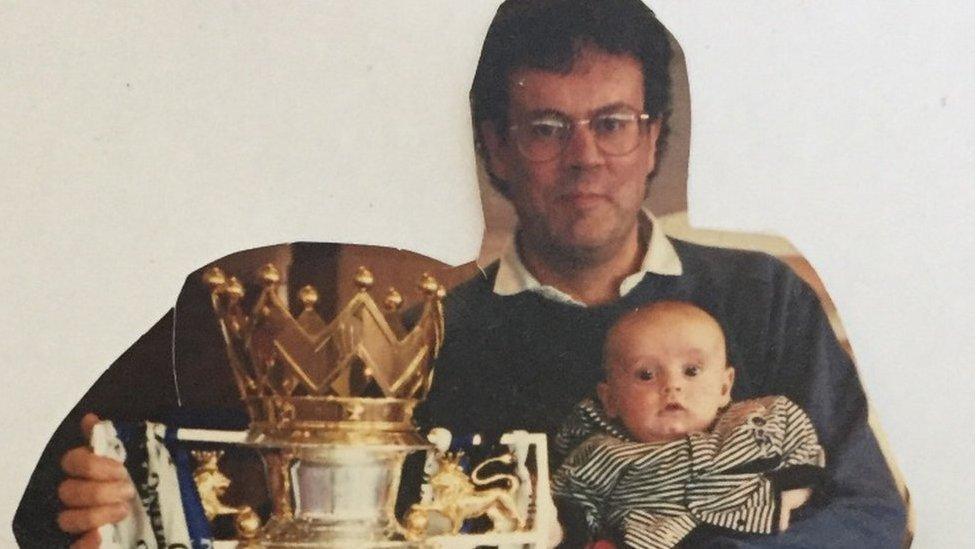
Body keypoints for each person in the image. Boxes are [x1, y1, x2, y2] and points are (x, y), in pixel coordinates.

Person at [15, 1, 908, 547]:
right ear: (495, 149)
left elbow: (870, 520)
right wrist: (103, 506)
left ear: (656, 139)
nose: (585, 158)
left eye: (613, 122)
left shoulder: (763, 297)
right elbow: (81, 503)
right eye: (547, 126)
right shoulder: (408, 330)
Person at [550, 301, 827, 548]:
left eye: (691, 371)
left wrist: (794, 493)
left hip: (750, 526)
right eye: (646, 374)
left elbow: (801, 442)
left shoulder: (756, 420)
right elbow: (568, 502)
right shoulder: (601, 453)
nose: (672, 385)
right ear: (611, 399)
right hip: (650, 537)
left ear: (724, 386)